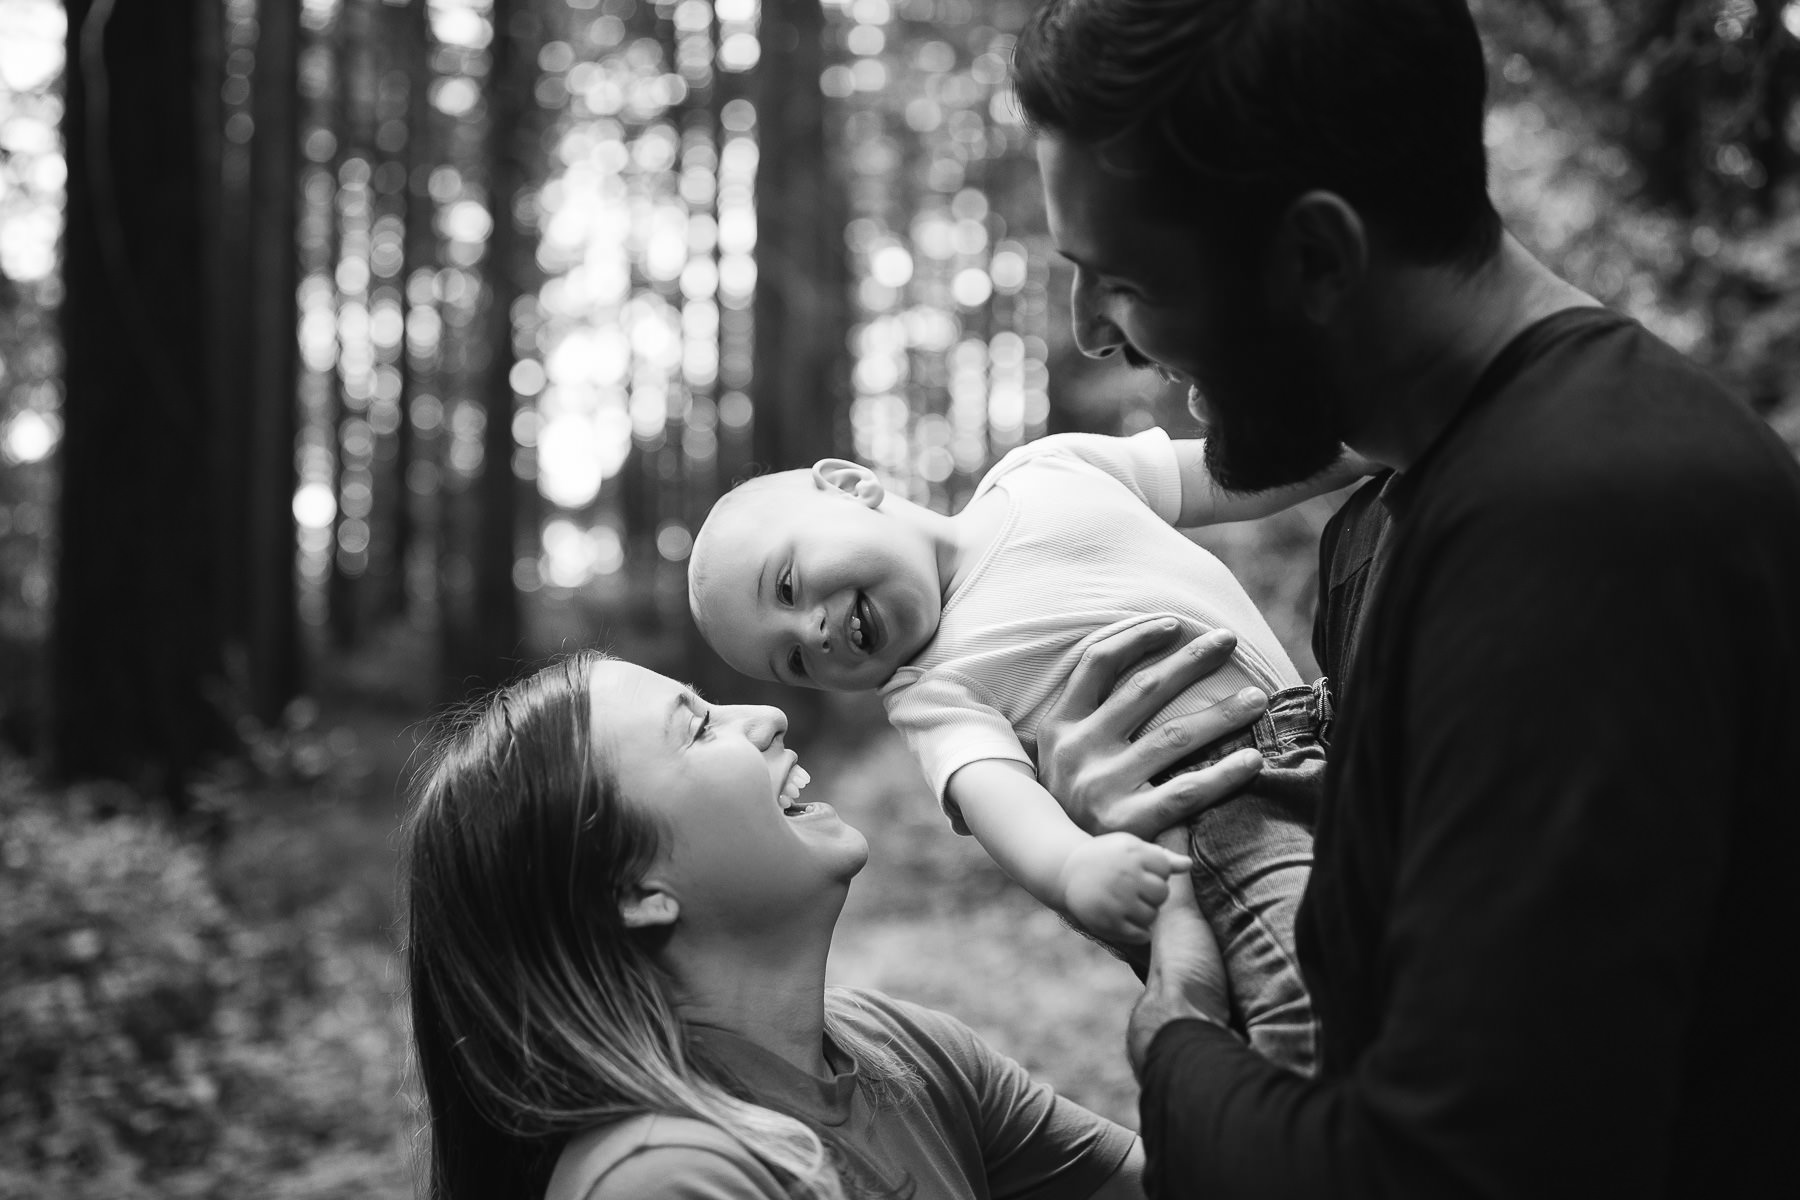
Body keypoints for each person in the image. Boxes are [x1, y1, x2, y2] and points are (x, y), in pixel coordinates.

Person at [1010, 0, 1800, 1196]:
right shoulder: (1391, 521)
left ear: (1319, 255)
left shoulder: (1590, 524)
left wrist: (1175, 1042)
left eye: (1122, 278)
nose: (1092, 333)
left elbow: (1442, 1168)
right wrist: (1200, 833)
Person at [688, 430, 1365, 1072]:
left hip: (1333, 738)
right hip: (1220, 821)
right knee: (1318, 986)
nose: (814, 631)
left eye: (786, 586)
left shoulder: (1051, 470)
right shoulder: (932, 688)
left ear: (848, 484)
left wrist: (1369, 447)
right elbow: (995, 793)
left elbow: (1223, 476)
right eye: (796, 660)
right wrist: (1073, 867)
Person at [402, 650, 1145, 1200]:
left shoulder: (907, 1050)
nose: (767, 716)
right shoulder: (664, 1178)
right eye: (696, 730)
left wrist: (1129, 879)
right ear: (629, 888)